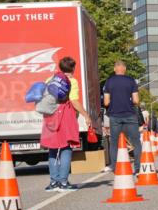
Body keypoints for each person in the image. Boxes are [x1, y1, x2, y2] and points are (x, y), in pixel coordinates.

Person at [40, 56, 91, 191]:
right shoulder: (72, 81)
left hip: (50, 116)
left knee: (52, 149)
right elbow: (74, 101)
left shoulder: (49, 80)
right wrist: (86, 115)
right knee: (66, 148)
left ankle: (53, 182)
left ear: (60, 68)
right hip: (65, 116)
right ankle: (63, 182)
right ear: (73, 68)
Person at [102, 60, 142, 175]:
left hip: (115, 116)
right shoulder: (131, 81)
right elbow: (136, 100)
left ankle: (114, 167)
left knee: (114, 142)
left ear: (115, 69)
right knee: (136, 142)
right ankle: (138, 168)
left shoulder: (109, 82)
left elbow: (106, 102)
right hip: (130, 114)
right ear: (125, 69)